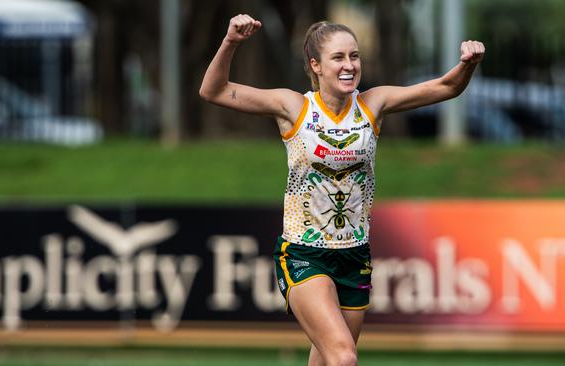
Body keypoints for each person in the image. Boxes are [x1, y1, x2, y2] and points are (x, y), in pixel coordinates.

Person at [200, 14, 484, 366]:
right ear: (316, 66)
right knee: (344, 356)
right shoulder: (294, 108)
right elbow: (213, 90)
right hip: (305, 253)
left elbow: (445, 87)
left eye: (354, 56)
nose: (349, 65)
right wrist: (231, 41)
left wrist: (467, 64)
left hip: (355, 255)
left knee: (327, 359)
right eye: (338, 58)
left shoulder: (372, 105)